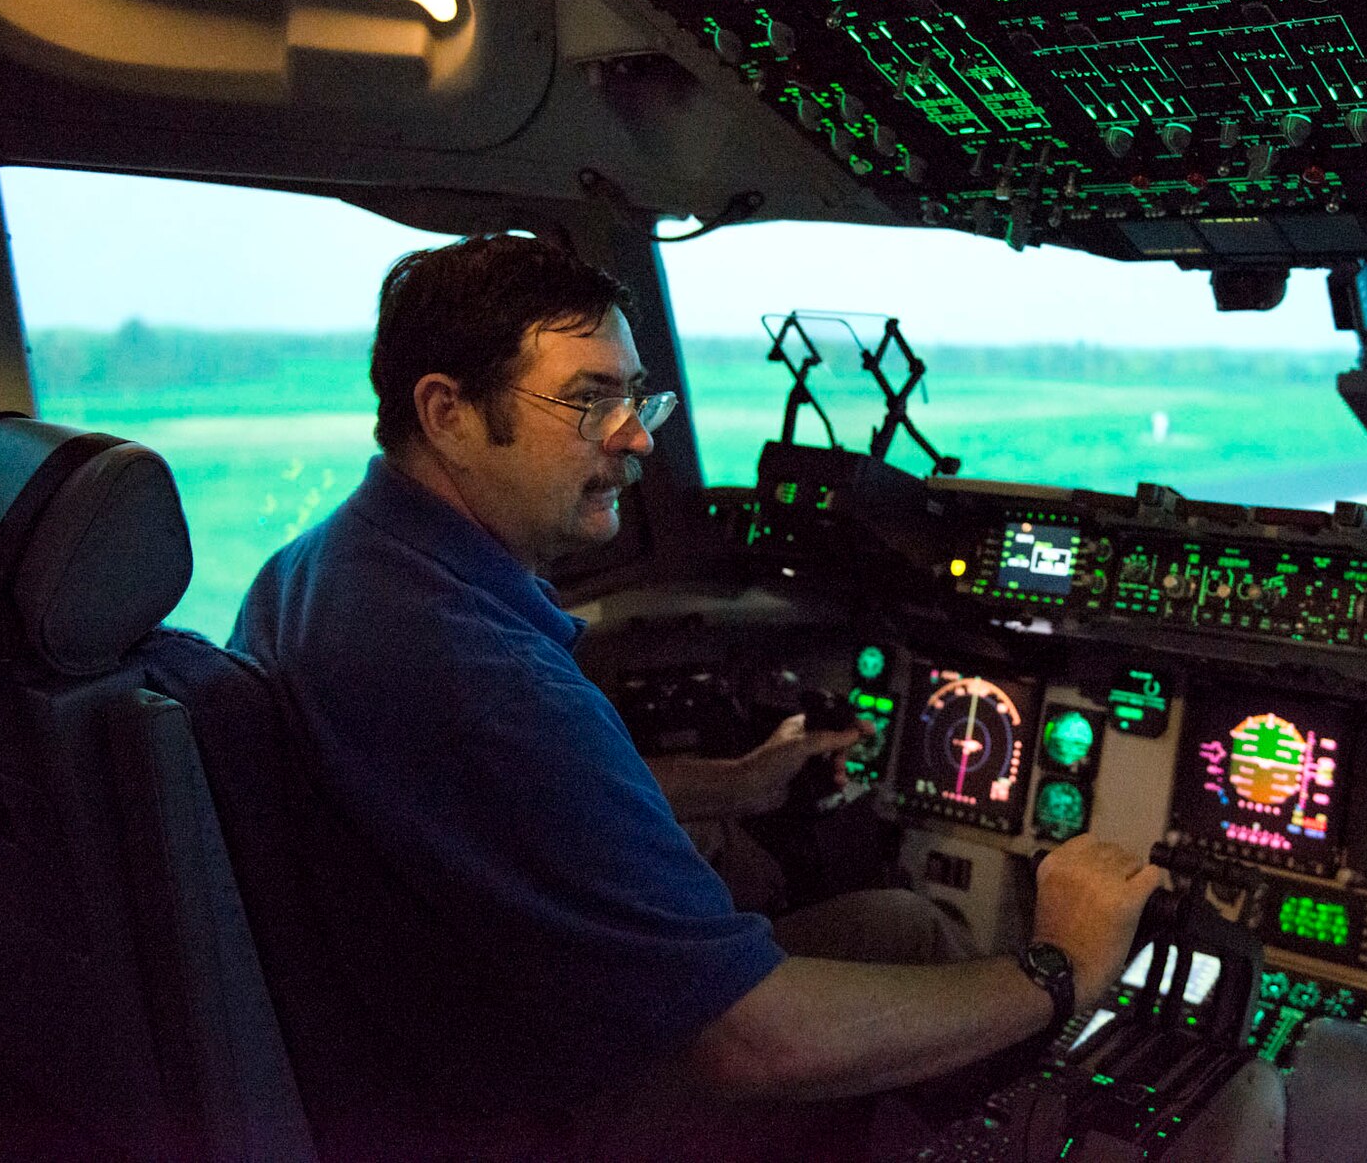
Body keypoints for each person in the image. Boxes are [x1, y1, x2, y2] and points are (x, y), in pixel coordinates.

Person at [230, 234, 1163, 1157]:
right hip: (520, 1114)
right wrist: (1059, 967)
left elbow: (487, 810)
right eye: (589, 400)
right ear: (449, 414)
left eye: (636, 395)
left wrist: (733, 784)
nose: (636, 435)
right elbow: (752, 1043)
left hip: (413, 1055)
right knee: (923, 949)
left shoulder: (321, 570)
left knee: (882, 919)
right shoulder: (480, 674)